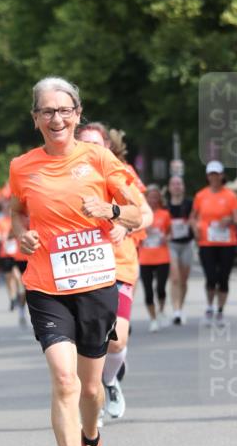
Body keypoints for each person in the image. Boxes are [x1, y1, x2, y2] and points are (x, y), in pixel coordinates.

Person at [9, 77, 143, 446]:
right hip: (47, 287)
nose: (56, 119)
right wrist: (21, 237)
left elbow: (140, 212)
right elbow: (16, 211)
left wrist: (114, 211)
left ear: (77, 114)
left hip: (96, 285)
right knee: (64, 381)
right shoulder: (22, 167)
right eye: (46, 111)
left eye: (64, 110)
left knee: (89, 387)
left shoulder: (99, 158)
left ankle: (92, 441)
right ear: (35, 120)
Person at [75, 122, 152, 420]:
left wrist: (123, 223)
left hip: (118, 265)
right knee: (88, 339)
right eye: (86, 144)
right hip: (82, 267)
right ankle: (90, 400)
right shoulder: (65, 175)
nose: (92, 149)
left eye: (97, 144)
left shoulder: (121, 173)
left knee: (117, 338)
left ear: (107, 146)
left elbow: (146, 214)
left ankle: (110, 381)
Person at [190, 161, 237, 326]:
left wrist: (230, 219)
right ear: (207, 176)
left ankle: (220, 310)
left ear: (222, 176)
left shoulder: (230, 196)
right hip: (207, 243)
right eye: (211, 174)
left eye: (217, 174)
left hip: (227, 243)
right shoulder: (201, 196)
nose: (214, 177)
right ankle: (209, 307)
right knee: (211, 277)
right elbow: (192, 217)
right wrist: (195, 229)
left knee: (223, 278)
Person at [138, 185, 172, 331]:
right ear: (146, 198)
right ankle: (153, 319)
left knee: (161, 288)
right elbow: (134, 234)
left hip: (162, 256)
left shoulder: (164, 214)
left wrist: (166, 237)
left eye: (155, 196)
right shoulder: (140, 215)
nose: (153, 199)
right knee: (148, 290)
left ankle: (161, 310)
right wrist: (144, 232)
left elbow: (170, 233)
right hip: (145, 257)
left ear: (159, 198)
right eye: (150, 196)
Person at [167, 175, 194, 324]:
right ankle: (176, 311)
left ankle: (181, 308)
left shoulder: (190, 204)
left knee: (183, 280)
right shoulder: (165, 205)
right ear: (170, 187)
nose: (177, 186)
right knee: (175, 278)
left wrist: (192, 222)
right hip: (171, 244)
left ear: (183, 187)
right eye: (174, 184)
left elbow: (197, 218)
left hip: (187, 244)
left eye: (179, 183)